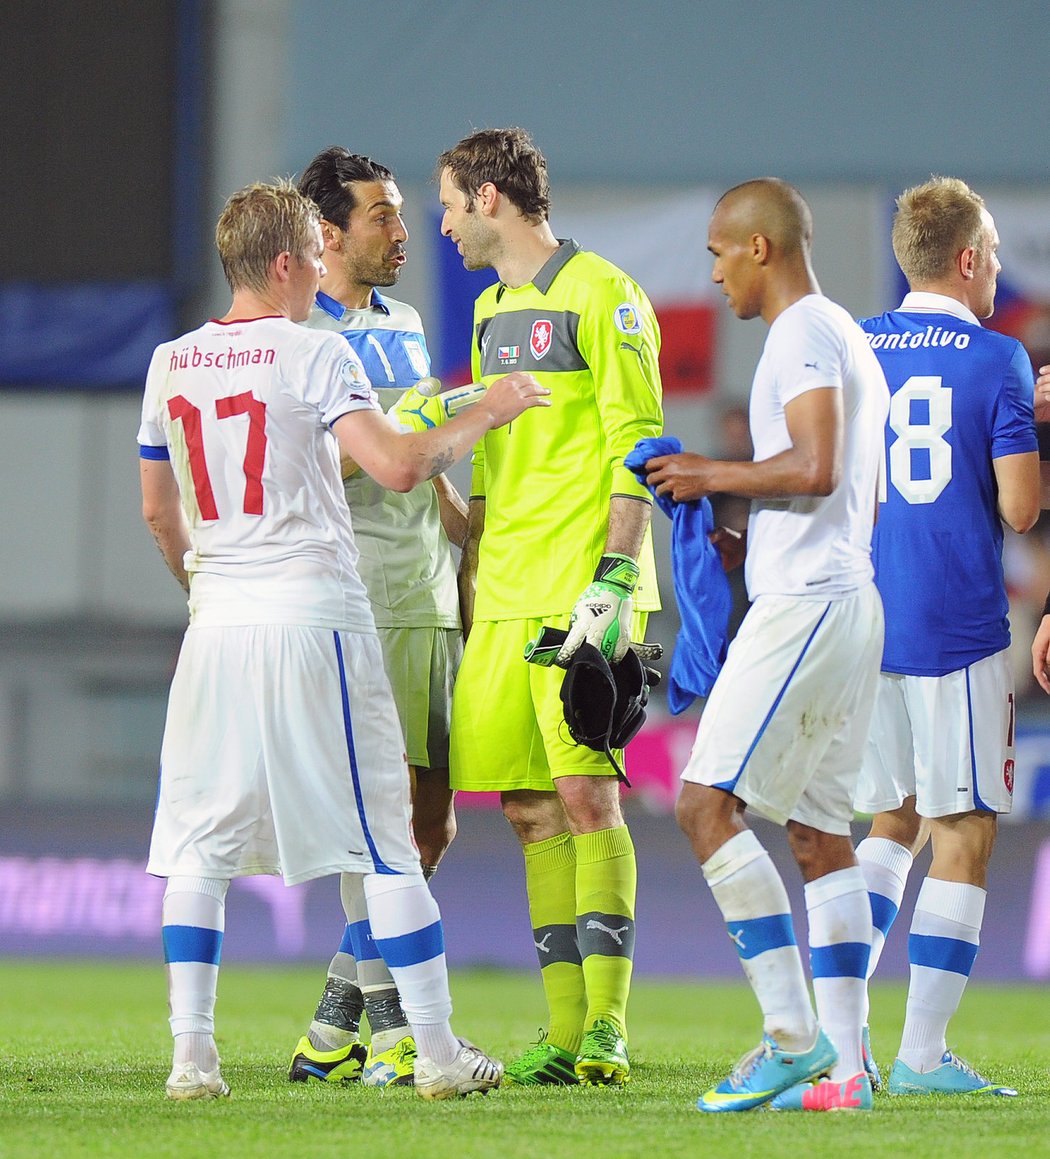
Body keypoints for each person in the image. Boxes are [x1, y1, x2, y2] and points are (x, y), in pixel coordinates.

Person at [138, 179, 548, 1101]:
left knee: (199, 846)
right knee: (385, 844)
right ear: (286, 263)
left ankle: (192, 1058)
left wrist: (208, 586)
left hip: (218, 626)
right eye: (315, 257)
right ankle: (438, 1053)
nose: (324, 269)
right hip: (316, 617)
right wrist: (488, 410)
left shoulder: (171, 363)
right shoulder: (314, 354)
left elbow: (158, 510)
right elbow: (400, 465)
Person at [643, 178, 889, 1113]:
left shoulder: (801, 334)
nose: (711, 275)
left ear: (760, 248)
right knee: (824, 840)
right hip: (841, 595)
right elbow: (842, 488)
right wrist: (756, 533)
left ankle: (790, 1036)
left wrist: (714, 475)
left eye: (717, 252)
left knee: (705, 804)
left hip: (808, 607)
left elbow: (818, 463)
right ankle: (848, 1072)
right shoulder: (845, 334)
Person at [437, 127, 663, 1086]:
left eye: (448, 202)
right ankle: (564, 1037)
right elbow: (491, 468)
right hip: (504, 591)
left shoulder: (604, 293)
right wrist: (464, 548)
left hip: (581, 585)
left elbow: (637, 444)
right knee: (529, 809)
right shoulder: (488, 314)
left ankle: (606, 1028)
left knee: (586, 795)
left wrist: (613, 582)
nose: (443, 222)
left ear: (490, 197)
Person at [285, 147, 470, 1089]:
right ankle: (391, 1031)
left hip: (430, 589)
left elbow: (421, 456)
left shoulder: (402, 321)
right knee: (384, 820)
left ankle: (335, 1023)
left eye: (402, 213)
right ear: (327, 233)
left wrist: (464, 532)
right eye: (384, 216)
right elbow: (321, 470)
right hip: (363, 596)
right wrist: (402, 448)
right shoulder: (299, 336)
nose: (403, 231)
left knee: (430, 824)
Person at [852, 177, 1038, 1097]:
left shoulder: (854, 344)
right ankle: (920, 1057)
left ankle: (841, 1041)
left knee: (893, 817)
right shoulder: (998, 358)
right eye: (995, 254)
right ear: (966, 260)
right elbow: (1019, 503)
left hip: (865, 621)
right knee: (961, 830)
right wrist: (1023, 428)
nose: (998, 269)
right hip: (956, 626)